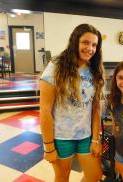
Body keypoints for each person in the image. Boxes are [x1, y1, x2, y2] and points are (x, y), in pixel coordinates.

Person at [40, 24, 104, 182]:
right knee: (62, 178)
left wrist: (96, 139)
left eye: (94, 45)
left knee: (95, 175)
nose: (90, 48)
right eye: (86, 42)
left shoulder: (94, 69)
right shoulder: (56, 67)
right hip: (61, 136)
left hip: (86, 136)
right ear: (75, 41)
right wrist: (48, 146)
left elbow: (96, 108)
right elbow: (45, 110)